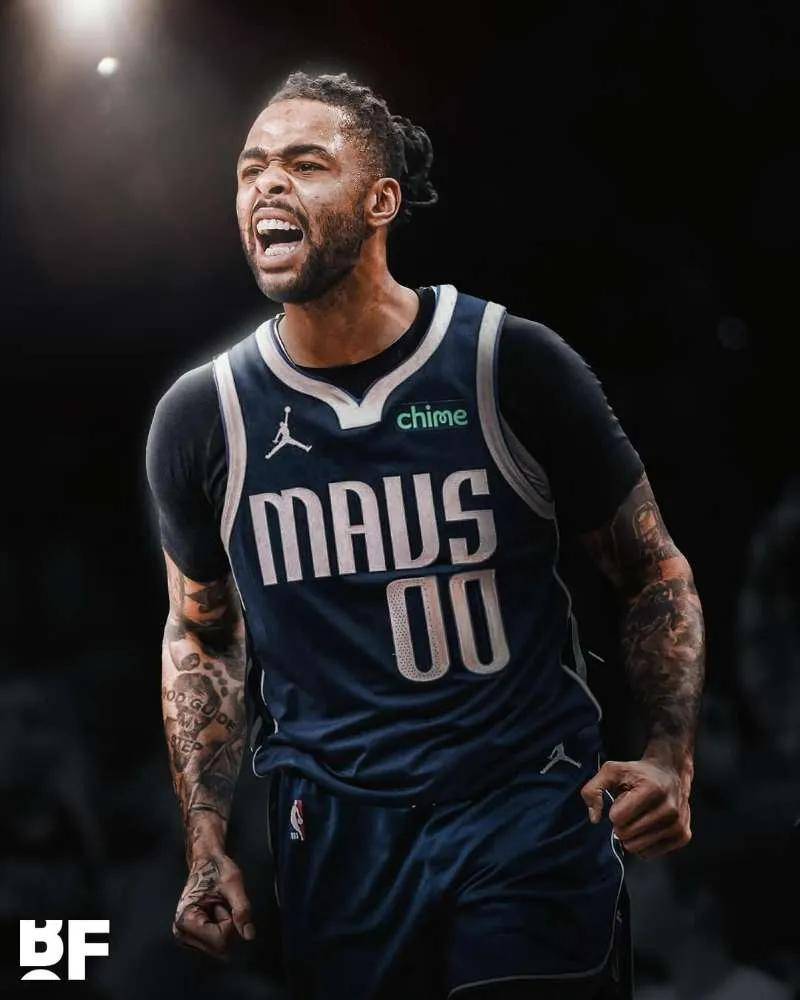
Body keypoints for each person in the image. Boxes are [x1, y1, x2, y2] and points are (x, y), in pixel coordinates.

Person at [145, 71, 706, 999]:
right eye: (250, 170)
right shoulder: (204, 416)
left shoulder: (508, 361)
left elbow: (652, 571)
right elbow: (201, 633)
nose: (267, 184)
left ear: (381, 202)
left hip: (525, 804)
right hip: (336, 835)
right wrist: (205, 841)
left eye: (304, 164)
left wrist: (669, 754)